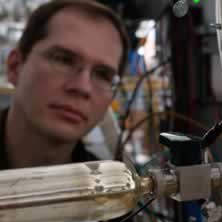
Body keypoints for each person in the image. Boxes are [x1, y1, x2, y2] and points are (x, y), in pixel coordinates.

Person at [1, 0, 129, 170]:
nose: (83, 87)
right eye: (63, 60)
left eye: (103, 75)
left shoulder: (108, 192)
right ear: (15, 66)